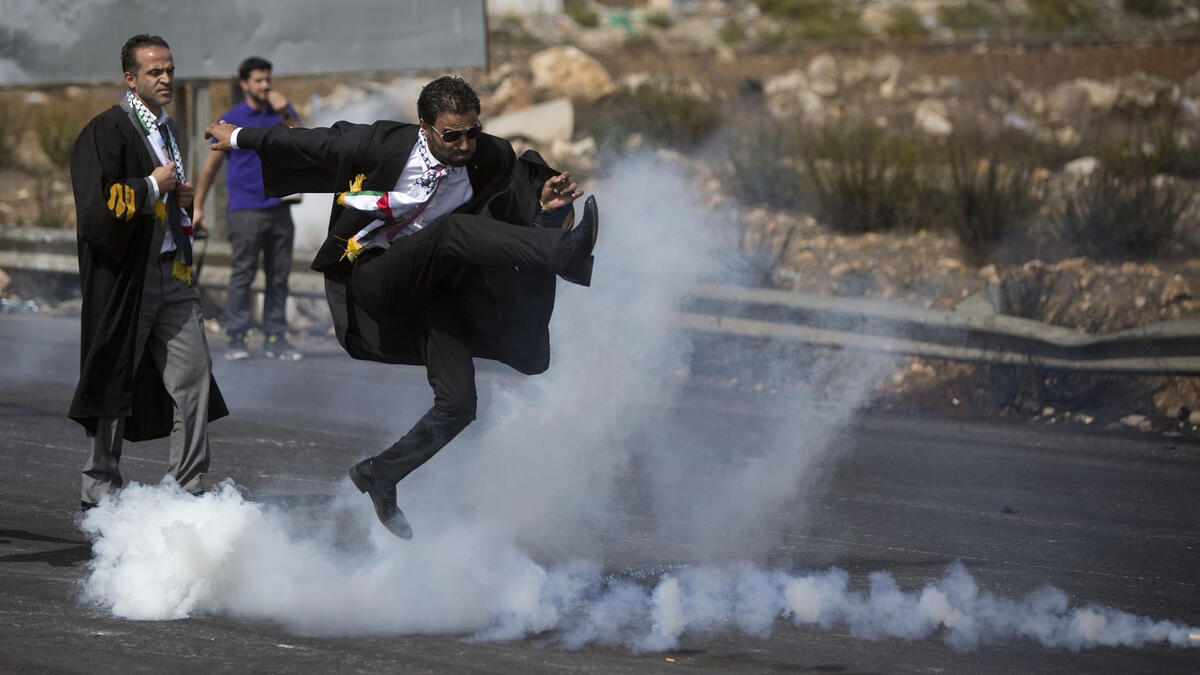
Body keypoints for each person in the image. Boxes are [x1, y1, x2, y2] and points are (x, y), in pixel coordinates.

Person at [204, 76, 598, 539]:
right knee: (450, 234)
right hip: (377, 275)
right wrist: (239, 137)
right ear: (425, 127)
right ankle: (562, 256)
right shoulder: (383, 144)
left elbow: (512, 213)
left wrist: (547, 213)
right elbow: (317, 143)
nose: (465, 144)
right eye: (452, 135)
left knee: (459, 404)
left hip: (435, 287)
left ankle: (382, 474)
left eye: (472, 131)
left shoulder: (489, 156)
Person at [69, 34, 228, 511]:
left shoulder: (169, 131)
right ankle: (100, 488)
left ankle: (187, 490)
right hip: (128, 281)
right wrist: (148, 186)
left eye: (170, 70)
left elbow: (167, 193)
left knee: (194, 375)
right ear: (130, 78)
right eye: (155, 72)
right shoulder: (106, 131)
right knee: (115, 377)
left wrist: (179, 201)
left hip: (173, 273)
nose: (165, 79)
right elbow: (95, 209)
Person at [193, 56, 303, 361]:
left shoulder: (281, 113)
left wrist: (285, 113)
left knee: (279, 276)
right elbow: (210, 168)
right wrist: (198, 206)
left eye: (268, 79)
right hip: (245, 210)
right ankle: (237, 336)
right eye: (258, 80)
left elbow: (304, 144)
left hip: (279, 207)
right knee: (243, 274)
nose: (265, 85)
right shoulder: (231, 118)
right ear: (244, 84)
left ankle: (275, 337)